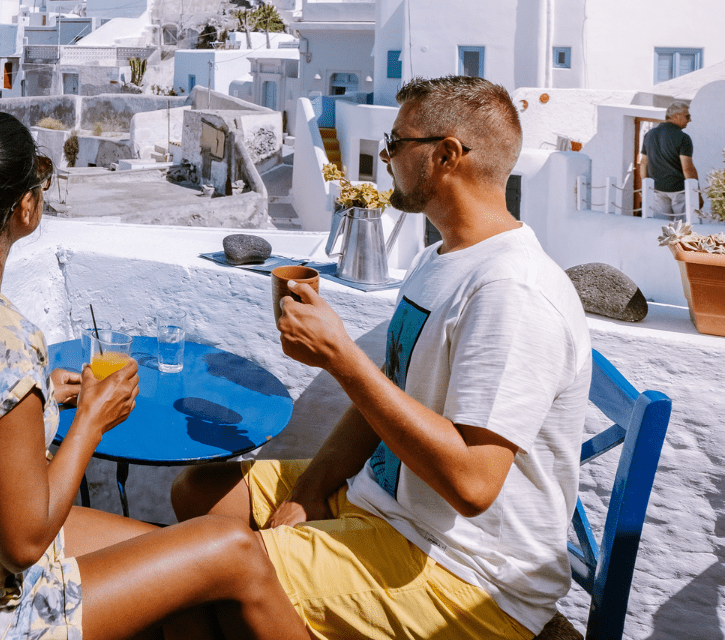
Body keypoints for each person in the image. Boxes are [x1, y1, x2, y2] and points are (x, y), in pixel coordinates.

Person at [172, 76, 592, 640]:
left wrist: (343, 358)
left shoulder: (511, 291)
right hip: (387, 502)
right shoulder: (438, 259)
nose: (385, 157)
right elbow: (387, 399)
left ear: (447, 155)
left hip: (466, 570)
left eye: (395, 143)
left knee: (212, 572)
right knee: (198, 492)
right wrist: (314, 486)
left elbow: (472, 486)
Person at [0, 111, 307, 640]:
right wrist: (90, 421)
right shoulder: (3, 337)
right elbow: (22, 544)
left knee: (183, 564)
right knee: (235, 549)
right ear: (26, 207)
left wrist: (38, 398)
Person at [639, 101, 702, 219]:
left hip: (657, 190)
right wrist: (697, 194)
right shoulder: (683, 138)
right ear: (676, 116)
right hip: (680, 191)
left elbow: (643, 163)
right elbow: (687, 168)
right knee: (685, 228)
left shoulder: (649, 134)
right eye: (687, 116)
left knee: (660, 227)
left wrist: (646, 188)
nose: (689, 120)